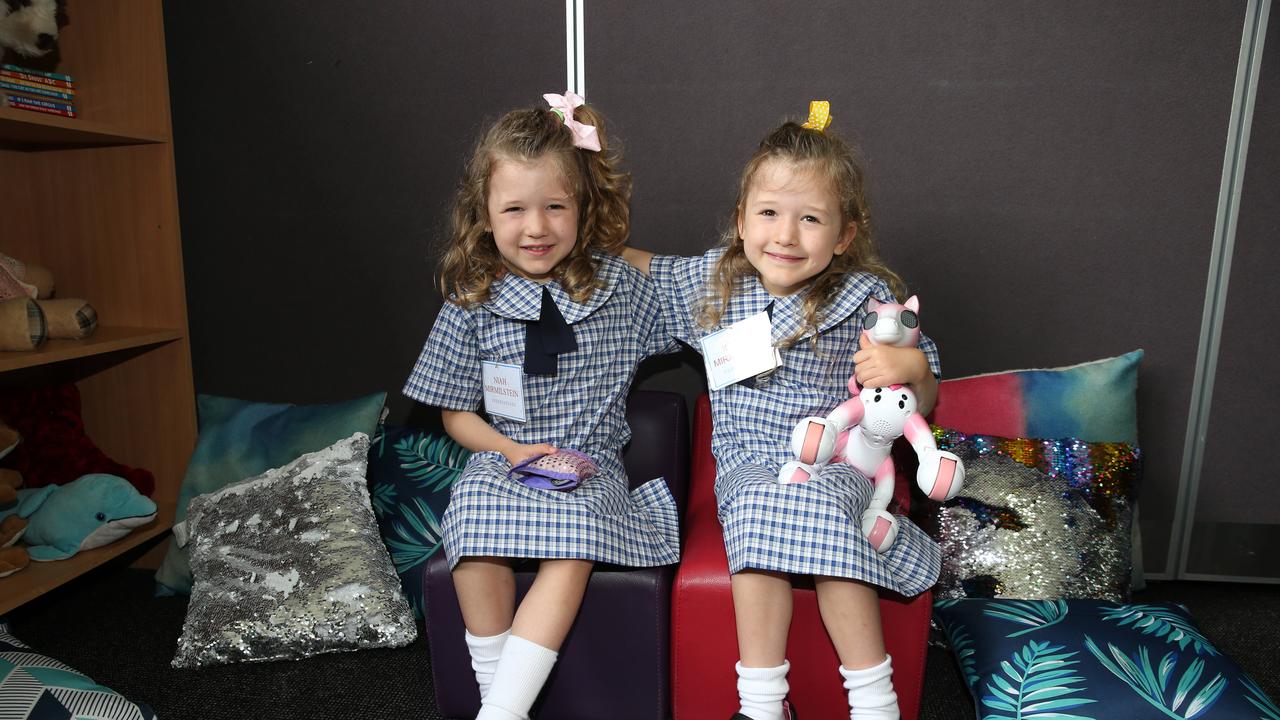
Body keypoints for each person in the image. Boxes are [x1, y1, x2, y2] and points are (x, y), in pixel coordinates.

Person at [623, 101, 942, 720]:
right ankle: (763, 704)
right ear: (741, 221)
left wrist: (914, 372)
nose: (786, 236)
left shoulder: (864, 301)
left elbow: (918, 404)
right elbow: (644, 267)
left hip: (837, 464)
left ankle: (874, 701)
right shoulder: (714, 282)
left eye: (811, 219)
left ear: (844, 235)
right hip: (749, 464)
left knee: (824, 513)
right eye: (768, 213)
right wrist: (581, 236)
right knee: (754, 517)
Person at [403, 92, 680, 720]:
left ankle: (500, 713)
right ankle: (502, 700)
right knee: (470, 530)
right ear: (484, 214)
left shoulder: (620, 292)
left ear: (583, 208)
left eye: (556, 207)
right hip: (503, 458)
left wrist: (630, 256)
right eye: (515, 210)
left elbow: (704, 298)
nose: (536, 228)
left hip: (588, 464)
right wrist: (508, 450)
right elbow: (455, 414)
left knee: (574, 539)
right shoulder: (472, 300)